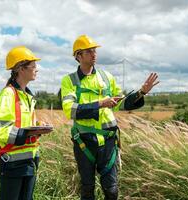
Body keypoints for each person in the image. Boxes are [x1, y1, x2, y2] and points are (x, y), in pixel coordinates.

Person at [60, 35, 159, 200]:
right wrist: (100, 104)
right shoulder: (69, 81)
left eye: (95, 51)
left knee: (111, 190)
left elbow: (121, 103)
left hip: (108, 141)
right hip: (84, 141)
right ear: (78, 56)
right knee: (87, 189)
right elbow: (70, 110)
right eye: (89, 51)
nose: (94, 54)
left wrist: (141, 92)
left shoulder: (106, 77)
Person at [0, 46, 50, 200]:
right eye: (33, 66)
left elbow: (23, 122)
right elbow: (2, 131)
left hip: (30, 162)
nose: (36, 70)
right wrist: (30, 132)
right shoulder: (8, 94)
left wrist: (39, 124)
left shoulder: (26, 96)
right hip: (13, 165)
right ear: (21, 69)